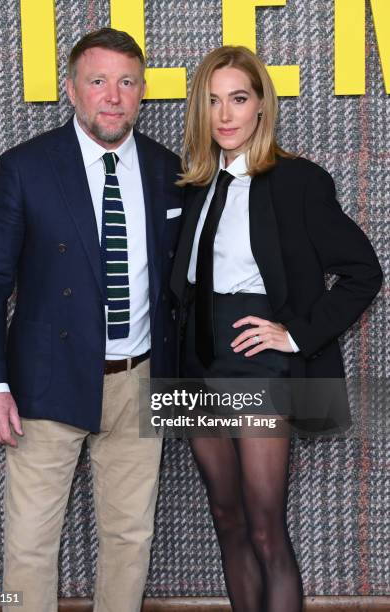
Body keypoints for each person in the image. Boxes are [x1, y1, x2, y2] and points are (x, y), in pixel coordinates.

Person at [0, 28, 183, 612]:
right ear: (72, 90)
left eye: (126, 82)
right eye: (98, 81)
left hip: (139, 382)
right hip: (44, 382)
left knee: (130, 537)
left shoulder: (168, 170)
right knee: (31, 543)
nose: (113, 95)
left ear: (141, 93)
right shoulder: (26, 168)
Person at [170, 46, 382, 612]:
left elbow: (364, 272)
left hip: (257, 367)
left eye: (238, 99)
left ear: (262, 105)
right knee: (226, 516)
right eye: (212, 101)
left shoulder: (298, 181)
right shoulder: (191, 184)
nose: (225, 115)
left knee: (265, 527)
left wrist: (293, 335)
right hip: (192, 365)